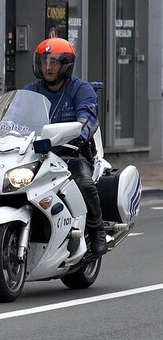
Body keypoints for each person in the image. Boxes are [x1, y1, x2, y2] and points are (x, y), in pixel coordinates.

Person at [24, 37, 107, 257]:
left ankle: (97, 230)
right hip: (37, 157)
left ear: (66, 64)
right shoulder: (31, 91)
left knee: (83, 182)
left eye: (53, 62)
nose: (47, 67)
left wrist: (81, 133)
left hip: (72, 155)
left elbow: (88, 115)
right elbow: (13, 117)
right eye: (44, 61)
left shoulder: (81, 89)